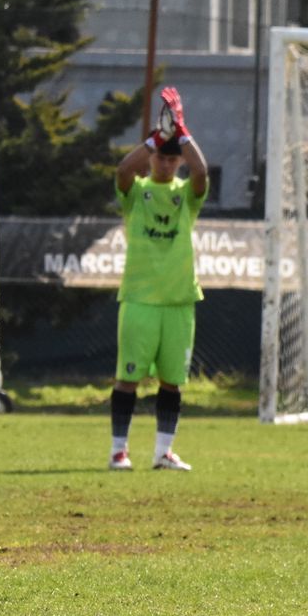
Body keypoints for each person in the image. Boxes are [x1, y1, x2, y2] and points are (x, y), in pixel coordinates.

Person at [109, 89, 208, 472]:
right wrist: (156, 136)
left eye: (171, 158)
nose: (166, 164)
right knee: (128, 379)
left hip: (179, 301)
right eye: (160, 157)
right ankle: (119, 451)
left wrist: (181, 132)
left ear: (178, 160)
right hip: (140, 300)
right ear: (151, 158)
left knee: (172, 381)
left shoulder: (186, 196)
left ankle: (163, 452)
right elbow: (123, 171)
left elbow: (201, 173)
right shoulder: (137, 193)